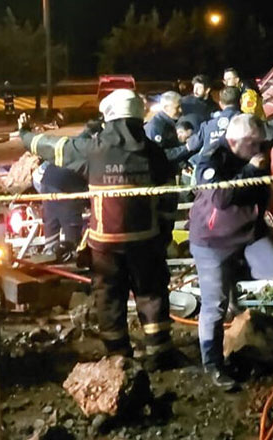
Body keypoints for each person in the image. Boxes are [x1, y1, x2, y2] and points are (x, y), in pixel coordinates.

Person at [18, 89, 178, 364]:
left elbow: (52, 147)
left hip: (106, 246)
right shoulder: (154, 153)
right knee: (151, 292)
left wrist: (24, 134)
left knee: (109, 295)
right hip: (146, 241)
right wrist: (164, 232)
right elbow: (169, 197)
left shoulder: (93, 150)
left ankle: (118, 355)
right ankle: (159, 351)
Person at [188, 114, 273, 388]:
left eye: (260, 143)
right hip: (213, 240)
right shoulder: (212, 158)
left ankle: (231, 279)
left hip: (248, 233)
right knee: (214, 304)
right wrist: (252, 170)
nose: (258, 148)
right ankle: (213, 362)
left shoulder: (256, 150)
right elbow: (221, 198)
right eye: (253, 144)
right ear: (234, 141)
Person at [32, 161, 88, 261]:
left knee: (52, 217)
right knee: (70, 222)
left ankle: (51, 250)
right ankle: (70, 251)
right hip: (68, 185)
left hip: (46, 179)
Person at [187, 86, 243, 162]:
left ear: (220, 104)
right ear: (241, 101)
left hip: (210, 166)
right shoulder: (249, 122)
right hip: (239, 165)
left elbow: (192, 145)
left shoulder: (208, 124)